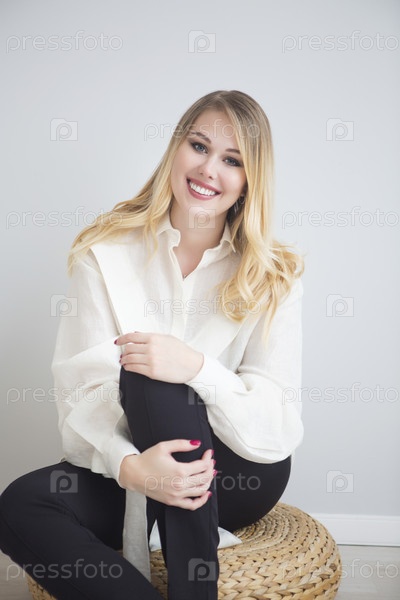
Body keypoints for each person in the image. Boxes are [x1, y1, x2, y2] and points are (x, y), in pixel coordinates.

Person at [0, 90, 305, 600]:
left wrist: (197, 368)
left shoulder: (274, 275)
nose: (209, 170)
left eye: (232, 160)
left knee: (155, 373)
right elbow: (82, 395)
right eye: (199, 146)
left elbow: (276, 418)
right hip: (134, 469)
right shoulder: (105, 251)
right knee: (21, 504)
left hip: (235, 473)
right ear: (175, 148)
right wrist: (133, 468)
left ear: (250, 179)